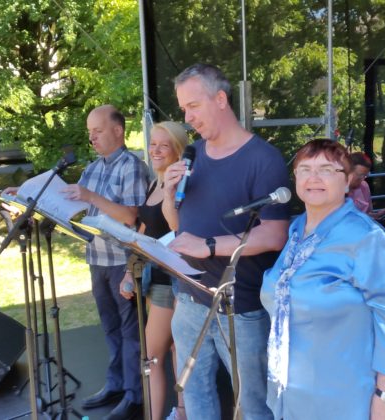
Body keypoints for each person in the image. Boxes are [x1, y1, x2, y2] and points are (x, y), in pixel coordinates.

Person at [161, 63, 289, 420]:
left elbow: (275, 234)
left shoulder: (263, 159)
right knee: (195, 393)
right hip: (189, 297)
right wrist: (169, 195)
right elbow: (178, 225)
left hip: (240, 307)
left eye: (193, 106)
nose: (187, 118)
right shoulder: (194, 155)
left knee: (252, 404)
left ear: (220, 99)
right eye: (183, 109)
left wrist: (211, 245)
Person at [260, 139, 385, 419]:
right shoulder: (297, 231)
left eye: (327, 170)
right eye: (305, 169)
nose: (314, 177)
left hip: (343, 398)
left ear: (347, 183)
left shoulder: (367, 238)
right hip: (292, 395)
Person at [66, 105, 149, 419]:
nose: (92, 138)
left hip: (122, 261)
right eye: (89, 132)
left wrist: (90, 197)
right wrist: (28, 195)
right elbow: (75, 204)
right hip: (96, 258)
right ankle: (115, 383)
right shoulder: (93, 168)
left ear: (118, 130)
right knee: (110, 327)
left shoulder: (132, 166)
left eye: (97, 131)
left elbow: (131, 216)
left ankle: (134, 394)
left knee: (131, 331)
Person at [118, 121, 188, 420]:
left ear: (178, 150)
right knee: (171, 351)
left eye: (164, 145)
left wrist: (171, 193)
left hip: (173, 281)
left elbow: (179, 229)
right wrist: (128, 271)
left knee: (153, 356)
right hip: (152, 278)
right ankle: (182, 413)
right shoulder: (154, 181)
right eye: (153, 143)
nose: (156, 150)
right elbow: (143, 235)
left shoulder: (182, 183)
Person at [347, 152, 385, 220]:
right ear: (348, 171)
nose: (363, 179)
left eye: (365, 175)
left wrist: (377, 215)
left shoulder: (364, 186)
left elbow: (368, 213)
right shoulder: (336, 190)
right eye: (360, 175)